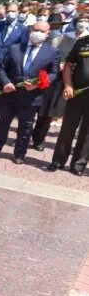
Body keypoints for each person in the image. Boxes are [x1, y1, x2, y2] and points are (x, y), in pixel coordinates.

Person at [0, 21, 58, 164]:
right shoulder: (15, 48)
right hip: (10, 94)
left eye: (42, 31)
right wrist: (6, 82)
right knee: (2, 124)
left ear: (48, 34)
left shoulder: (52, 52)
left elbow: (54, 74)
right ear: (30, 30)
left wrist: (37, 84)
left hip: (31, 97)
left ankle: (19, 154)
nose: (38, 33)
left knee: (25, 127)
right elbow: (2, 68)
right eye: (35, 30)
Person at [33, 13, 83, 151]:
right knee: (41, 110)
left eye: (86, 21)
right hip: (48, 78)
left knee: (54, 112)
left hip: (67, 82)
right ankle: (33, 137)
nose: (83, 23)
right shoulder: (56, 38)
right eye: (81, 20)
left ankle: (42, 140)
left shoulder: (79, 41)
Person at [48, 13, 89, 176]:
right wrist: (68, 84)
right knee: (67, 128)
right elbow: (68, 65)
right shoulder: (82, 42)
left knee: (87, 133)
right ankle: (58, 160)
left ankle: (78, 165)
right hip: (76, 93)